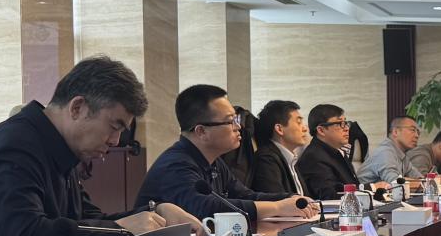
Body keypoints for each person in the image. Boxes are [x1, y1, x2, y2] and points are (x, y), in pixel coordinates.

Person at [0, 56, 202, 236]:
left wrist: (156, 212)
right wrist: (121, 229)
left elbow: (89, 222)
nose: (115, 141)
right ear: (77, 108)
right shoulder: (14, 146)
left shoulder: (61, 147)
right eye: (114, 127)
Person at [136, 85, 318, 228]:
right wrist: (278, 207)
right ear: (201, 131)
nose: (238, 127)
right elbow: (205, 208)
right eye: (230, 121)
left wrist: (291, 198)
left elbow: (246, 195)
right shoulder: (176, 164)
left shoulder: (214, 161)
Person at [297, 104, 391, 201]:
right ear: (321, 130)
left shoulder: (337, 151)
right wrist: (372, 188)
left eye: (346, 123)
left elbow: (350, 186)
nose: (346, 128)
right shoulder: (313, 157)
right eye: (339, 124)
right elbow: (331, 195)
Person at [251, 100, 309, 196]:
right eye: (299, 122)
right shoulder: (266, 160)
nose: (305, 129)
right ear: (279, 129)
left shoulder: (289, 159)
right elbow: (278, 200)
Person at [358, 115, 422, 185]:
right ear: (395, 132)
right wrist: (421, 183)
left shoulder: (403, 156)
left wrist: (423, 182)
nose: (417, 135)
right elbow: (396, 183)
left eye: (418, 132)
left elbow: (419, 178)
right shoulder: (385, 152)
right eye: (412, 130)